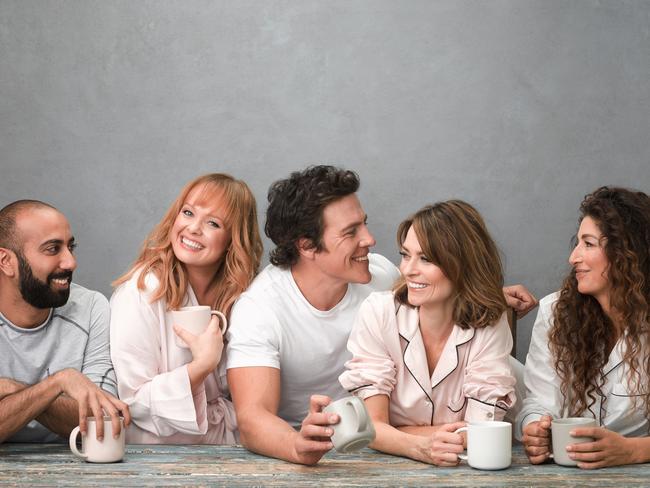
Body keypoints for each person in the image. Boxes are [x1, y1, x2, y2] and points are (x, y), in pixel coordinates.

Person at [226, 165, 537, 465]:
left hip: (391, 432)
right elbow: (253, 419)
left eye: (364, 223)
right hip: (320, 441)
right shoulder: (260, 308)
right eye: (351, 232)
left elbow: (433, 285)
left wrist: (486, 296)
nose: (370, 239)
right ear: (307, 246)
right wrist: (297, 446)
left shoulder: (378, 274)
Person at [339, 201, 516, 466]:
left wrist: (396, 432)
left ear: (462, 265)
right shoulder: (379, 312)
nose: (408, 270)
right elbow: (372, 428)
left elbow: (481, 433)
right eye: (405, 255)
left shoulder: (491, 323)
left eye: (426, 259)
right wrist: (417, 445)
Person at [110, 174, 262, 444]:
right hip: (158, 456)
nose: (193, 228)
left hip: (230, 447)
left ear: (233, 239)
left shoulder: (244, 297)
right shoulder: (142, 291)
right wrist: (201, 366)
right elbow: (133, 402)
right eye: (188, 212)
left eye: (213, 223)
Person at [517, 186, 650, 469]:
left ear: (627, 253)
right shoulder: (555, 312)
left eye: (588, 244)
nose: (573, 257)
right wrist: (535, 429)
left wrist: (635, 450)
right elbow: (538, 401)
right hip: (565, 473)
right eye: (577, 243)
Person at [0, 200, 130, 443]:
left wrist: (15, 389)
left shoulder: (91, 307)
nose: (71, 262)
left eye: (71, 247)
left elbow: (103, 421)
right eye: (52, 249)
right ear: (6, 262)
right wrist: (58, 385)